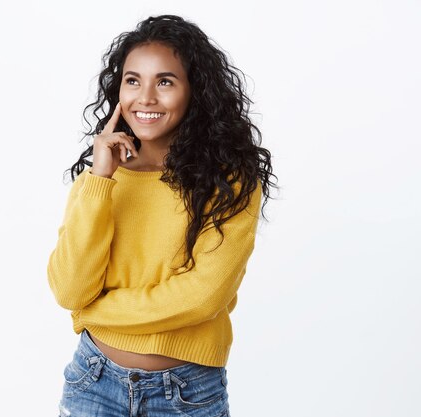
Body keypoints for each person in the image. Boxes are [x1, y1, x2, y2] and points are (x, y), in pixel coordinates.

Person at [47, 14, 277, 416]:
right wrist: (100, 179)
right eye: (133, 80)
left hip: (186, 393)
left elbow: (201, 297)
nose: (145, 98)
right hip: (93, 383)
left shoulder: (228, 180)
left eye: (165, 81)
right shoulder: (101, 177)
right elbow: (70, 289)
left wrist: (96, 312)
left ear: (195, 91)